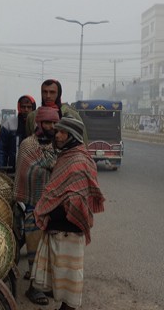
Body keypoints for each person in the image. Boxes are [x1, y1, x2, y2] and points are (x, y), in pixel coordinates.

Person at [30, 117, 105, 310]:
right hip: (57, 227)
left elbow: (78, 198)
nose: (58, 135)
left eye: (63, 132)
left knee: (69, 278)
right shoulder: (66, 156)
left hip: (69, 229)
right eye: (58, 131)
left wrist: (54, 209)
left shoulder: (79, 160)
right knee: (60, 276)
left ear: (74, 135)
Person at [15, 106, 60, 305]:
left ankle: (45, 285)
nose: (52, 127)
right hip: (32, 203)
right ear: (39, 124)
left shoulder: (57, 145)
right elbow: (27, 172)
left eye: (54, 123)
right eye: (48, 123)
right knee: (34, 247)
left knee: (51, 248)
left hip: (52, 204)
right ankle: (33, 288)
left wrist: (51, 166)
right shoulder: (28, 144)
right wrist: (50, 166)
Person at [25, 79, 87, 143]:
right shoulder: (32, 116)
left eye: (52, 92)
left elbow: (83, 142)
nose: (48, 96)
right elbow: (28, 142)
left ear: (59, 94)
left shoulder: (72, 115)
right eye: (45, 92)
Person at [0, 95, 36, 173]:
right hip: (14, 168)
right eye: (23, 107)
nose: (26, 109)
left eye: (29, 107)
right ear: (19, 107)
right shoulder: (9, 123)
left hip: (34, 169)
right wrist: (1, 168)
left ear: (33, 108)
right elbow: (1, 149)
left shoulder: (38, 124)